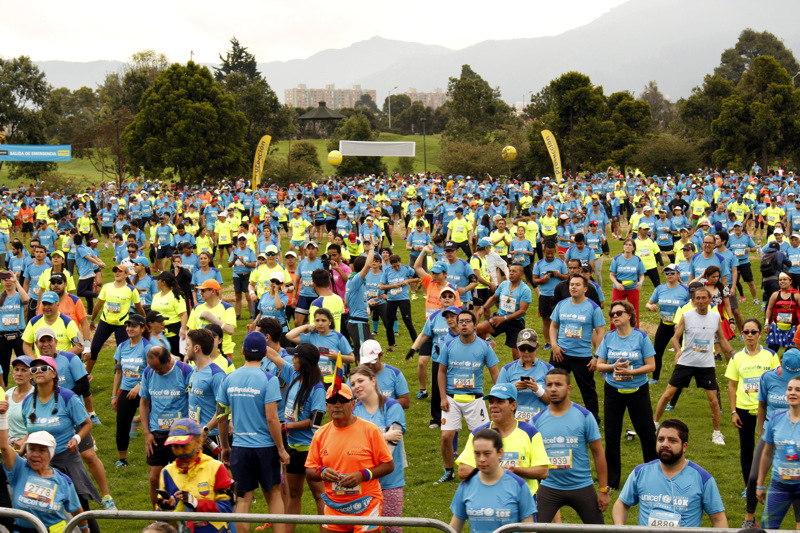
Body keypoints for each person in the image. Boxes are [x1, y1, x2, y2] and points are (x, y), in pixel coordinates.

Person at [217, 331, 289, 533]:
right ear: (266, 353)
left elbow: (221, 416)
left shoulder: (228, 379)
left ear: (242, 351)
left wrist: (225, 447)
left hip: (240, 447)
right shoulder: (269, 380)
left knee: (243, 498)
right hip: (266, 448)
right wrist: (281, 449)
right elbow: (272, 418)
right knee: (274, 494)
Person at [22, 356, 105, 521]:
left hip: (66, 457)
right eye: (34, 370)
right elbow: (30, 430)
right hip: (38, 462)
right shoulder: (27, 402)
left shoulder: (68, 397)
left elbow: (87, 424)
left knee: (80, 511)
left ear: (54, 374)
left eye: (44, 368)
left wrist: (76, 439)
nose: (38, 372)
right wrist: (22, 446)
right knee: (40, 510)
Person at [304, 383, 395, 533]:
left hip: (367, 504)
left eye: (343, 401)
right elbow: (309, 471)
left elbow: (388, 465)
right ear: (327, 405)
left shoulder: (370, 430)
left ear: (353, 404)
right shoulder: (320, 434)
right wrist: (322, 472)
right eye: (332, 401)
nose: (337, 405)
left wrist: (363, 475)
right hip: (334, 506)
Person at [653, 286, 735, 444]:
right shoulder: (687, 316)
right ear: (693, 300)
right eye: (698, 298)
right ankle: (655, 424)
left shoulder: (715, 317)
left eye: (704, 298)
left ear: (710, 300)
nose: (701, 301)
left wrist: (732, 355)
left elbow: (722, 340)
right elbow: (675, 338)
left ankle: (717, 434)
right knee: (668, 394)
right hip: (686, 362)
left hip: (706, 364)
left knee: (713, 400)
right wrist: (678, 351)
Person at [612, 419, 728, 527]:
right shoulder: (640, 472)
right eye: (661, 439)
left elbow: (718, 519)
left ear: (684, 446)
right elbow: (621, 504)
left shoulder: (703, 479)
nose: (665, 444)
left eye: (672, 440)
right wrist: (619, 527)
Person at [531, 368, 610, 524]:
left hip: (582, 486)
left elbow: (599, 453)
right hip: (550, 487)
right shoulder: (536, 420)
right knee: (532, 529)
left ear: (568, 389)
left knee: (599, 530)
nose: (553, 389)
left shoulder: (585, 416)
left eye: (558, 384)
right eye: (549, 385)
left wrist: (603, 490)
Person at [595, 300, 658, 490]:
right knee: (612, 436)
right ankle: (612, 482)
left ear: (629, 315)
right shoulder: (608, 338)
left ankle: (653, 476)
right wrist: (614, 367)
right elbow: (599, 365)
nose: (614, 316)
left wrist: (631, 372)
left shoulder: (641, 337)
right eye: (612, 314)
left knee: (647, 434)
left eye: (618, 313)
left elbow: (651, 365)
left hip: (638, 391)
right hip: (613, 391)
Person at [263, 342, 326, 532]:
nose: (293, 359)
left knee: (319, 495)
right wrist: (257, 338)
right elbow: (274, 356)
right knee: (294, 493)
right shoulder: (293, 374)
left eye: (296, 357)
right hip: (292, 448)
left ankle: (328, 528)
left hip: (310, 450)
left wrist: (288, 425)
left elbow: (316, 422)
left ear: (304, 361)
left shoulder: (317, 389)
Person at [436, 309, 499, 484]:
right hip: (451, 398)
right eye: (461, 321)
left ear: (474, 324)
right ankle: (449, 471)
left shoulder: (484, 346)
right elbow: (441, 372)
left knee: (482, 438)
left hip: (475, 399)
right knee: (446, 436)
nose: (463, 324)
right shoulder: (448, 345)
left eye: (467, 321)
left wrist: (498, 396)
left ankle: (483, 471)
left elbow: (495, 373)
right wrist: (442, 397)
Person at [455, 383, 550, 496]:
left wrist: (516, 471)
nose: (493, 406)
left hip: (523, 503)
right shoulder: (479, 433)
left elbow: (543, 471)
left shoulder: (530, 432)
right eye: (491, 402)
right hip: (489, 500)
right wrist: (496, 471)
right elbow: (463, 470)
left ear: (513, 406)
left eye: (500, 402)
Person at [725, 318, 780, 507]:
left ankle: (767, 484)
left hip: (767, 409)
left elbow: (778, 382)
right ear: (741, 334)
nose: (749, 335)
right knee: (747, 448)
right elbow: (732, 385)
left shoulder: (771, 356)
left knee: (768, 448)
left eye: (753, 332)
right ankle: (749, 485)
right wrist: (733, 411)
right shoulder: (736, 358)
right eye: (746, 332)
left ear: (760, 334)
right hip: (743, 409)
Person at [0, 427, 91, 533]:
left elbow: (77, 512)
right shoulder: (19, 469)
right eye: (32, 449)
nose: (35, 454)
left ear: (50, 454)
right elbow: (4, 446)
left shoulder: (63, 481)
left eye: (42, 450)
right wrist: (2, 415)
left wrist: (86, 531)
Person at [351, 365, 407, 533]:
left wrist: (365, 441)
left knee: (391, 529)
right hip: (362, 483)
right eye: (353, 384)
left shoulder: (392, 406)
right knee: (364, 529)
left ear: (373, 381)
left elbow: (389, 450)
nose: (356, 386)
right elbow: (351, 443)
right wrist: (383, 436)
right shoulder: (353, 411)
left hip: (390, 482)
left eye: (361, 381)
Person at [449, 428, 536, 533]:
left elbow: (529, 530)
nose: (481, 459)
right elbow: (453, 528)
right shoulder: (466, 486)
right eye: (477, 453)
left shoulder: (519, 485)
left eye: (487, 453)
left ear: (500, 453)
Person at [156, 418, 233, 533]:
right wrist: (165, 507)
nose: (180, 451)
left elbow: (228, 508)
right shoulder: (167, 472)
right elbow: (160, 519)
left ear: (199, 441)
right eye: (175, 446)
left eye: (184, 445)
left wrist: (196, 503)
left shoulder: (216, 468)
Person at [139, 345, 193, 508]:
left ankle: (185, 515)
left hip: (180, 434)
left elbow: (193, 401)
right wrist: (147, 433)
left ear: (169, 360)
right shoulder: (148, 372)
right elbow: (144, 402)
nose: (155, 371)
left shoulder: (185, 371)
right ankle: (158, 515)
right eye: (152, 367)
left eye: (158, 367)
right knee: (154, 477)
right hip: (157, 434)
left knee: (183, 476)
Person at [549, 274, 605, 421]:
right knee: (552, 385)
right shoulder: (562, 305)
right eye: (571, 284)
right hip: (560, 354)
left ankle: (593, 419)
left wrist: (596, 357)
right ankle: (551, 414)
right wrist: (554, 345)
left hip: (582, 356)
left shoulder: (593, 308)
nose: (573, 287)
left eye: (577, 285)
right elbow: (553, 326)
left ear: (585, 289)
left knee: (587, 390)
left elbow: (600, 332)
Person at [756, 375, 800, 529]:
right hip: (779, 485)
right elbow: (767, 453)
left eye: (798, 390)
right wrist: (760, 484)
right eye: (789, 389)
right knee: (768, 527)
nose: (792, 393)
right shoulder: (776, 419)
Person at [88, 265, 146, 374]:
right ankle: (86, 376)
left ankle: (120, 378)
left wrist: (144, 321)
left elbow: (139, 308)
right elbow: (98, 305)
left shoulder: (131, 290)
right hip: (105, 322)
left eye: (120, 271)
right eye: (115, 271)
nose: (117, 273)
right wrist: (92, 320)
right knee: (94, 348)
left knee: (122, 353)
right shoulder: (107, 287)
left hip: (122, 324)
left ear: (126, 275)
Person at [111, 313, 151, 468]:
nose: (129, 329)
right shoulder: (122, 347)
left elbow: (150, 371)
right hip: (126, 391)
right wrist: (114, 395)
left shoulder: (147, 347)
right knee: (121, 426)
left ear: (142, 328)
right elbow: (118, 371)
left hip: (144, 392)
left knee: (153, 425)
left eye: (134, 326)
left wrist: (139, 385)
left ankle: (156, 455)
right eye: (128, 326)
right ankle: (122, 460)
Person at [286, 308, 355, 387]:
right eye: (317, 320)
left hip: (333, 381)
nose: (320, 323)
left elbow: (352, 358)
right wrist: (306, 326)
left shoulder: (338, 337)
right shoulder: (311, 336)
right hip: (314, 380)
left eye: (323, 320)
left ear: (330, 321)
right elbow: (289, 336)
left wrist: (337, 356)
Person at [184, 328, 227, 456]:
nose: (185, 349)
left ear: (196, 348)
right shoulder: (193, 371)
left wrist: (206, 429)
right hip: (195, 435)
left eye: (187, 345)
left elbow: (224, 408)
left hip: (212, 437)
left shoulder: (216, 375)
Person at [645, 263, 689, 384]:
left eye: (672, 272)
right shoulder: (660, 289)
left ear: (678, 274)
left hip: (680, 326)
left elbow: (691, 307)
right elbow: (648, 304)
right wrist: (651, 306)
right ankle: (655, 378)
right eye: (667, 273)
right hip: (664, 324)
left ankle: (681, 379)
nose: (669, 275)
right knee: (657, 351)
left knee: (682, 353)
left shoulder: (685, 290)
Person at [476, 263, 532, 360]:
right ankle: (486, 350)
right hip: (499, 317)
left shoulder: (525, 290)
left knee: (517, 356)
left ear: (521, 275)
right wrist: (483, 308)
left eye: (514, 271)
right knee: (480, 328)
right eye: (510, 271)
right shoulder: (504, 284)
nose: (511, 273)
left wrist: (504, 318)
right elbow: (494, 298)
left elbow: (522, 311)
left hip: (515, 323)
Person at [496, 328, 552, 421]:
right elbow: (497, 400)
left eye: (530, 349)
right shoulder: (507, 370)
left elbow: (554, 401)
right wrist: (512, 389)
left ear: (538, 347)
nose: (526, 352)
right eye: (522, 348)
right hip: (513, 423)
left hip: (540, 422)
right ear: (517, 347)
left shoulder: (549, 369)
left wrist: (537, 390)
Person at [187, 279, 237, 358]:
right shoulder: (197, 308)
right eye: (200, 291)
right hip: (201, 353)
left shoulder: (227, 308)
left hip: (222, 352)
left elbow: (230, 330)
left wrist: (212, 319)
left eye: (203, 291)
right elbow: (190, 333)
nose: (200, 293)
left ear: (213, 291)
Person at [532, 242, 568, 350]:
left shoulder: (561, 263)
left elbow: (567, 277)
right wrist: (544, 279)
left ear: (555, 252)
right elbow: (534, 280)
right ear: (544, 252)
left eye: (552, 253)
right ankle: (548, 342)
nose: (550, 256)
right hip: (544, 295)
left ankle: (559, 341)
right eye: (548, 253)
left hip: (558, 295)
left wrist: (559, 275)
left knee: (560, 319)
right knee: (546, 319)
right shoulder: (538, 264)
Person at [380, 254, 418, 352]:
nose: (397, 268)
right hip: (391, 299)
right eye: (394, 266)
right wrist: (392, 286)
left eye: (398, 265)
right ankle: (391, 345)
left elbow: (418, 278)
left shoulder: (407, 269)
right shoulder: (387, 271)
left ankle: (416, 346)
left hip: (403, 298)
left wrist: (408, 280)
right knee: (389, 322)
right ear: (391, 264)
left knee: (408, 321)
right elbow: (382, 286)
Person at [358, 340, 410, 408]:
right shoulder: (356, 376)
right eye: (367, 362)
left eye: (373, 361)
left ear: (381, 355)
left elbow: (406, 402)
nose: (370, 365)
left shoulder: (395, 374)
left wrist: (382, 404)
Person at [344, 252, 376, 360]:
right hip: (358, 324)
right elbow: (368, 265)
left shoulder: (352, 281)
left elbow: (346, 302)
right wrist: (372, 246)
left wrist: (366, 303)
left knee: (370, 352)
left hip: (360, 324)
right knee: (365, 356)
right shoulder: (356, 280)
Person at [0, 269, 28, 386]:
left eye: (9, 280)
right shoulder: (1, 297)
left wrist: (16, 282)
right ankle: (3, 396)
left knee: (24, 365)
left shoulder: (18, 296)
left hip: (18, 336)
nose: (8, 282)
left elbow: (26, 299)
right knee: (3, 368)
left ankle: (27, 391)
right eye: (5, 280)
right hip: (3, 337)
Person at [151, 271, 188, 358]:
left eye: (158, 280)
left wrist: (183, 330)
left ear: (163, 282)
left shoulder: (176, 296)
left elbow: (183, 314)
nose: (156, 282)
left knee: (175, 357)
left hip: (173, 333)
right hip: (158, 333)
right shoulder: (156, 296)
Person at [609, 238, 646, 326]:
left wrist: (640, 283)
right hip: (619, 288)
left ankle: (635, 330)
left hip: (633, 288)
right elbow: (611, 275)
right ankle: (614, 330)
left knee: (634, 310)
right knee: (615, 310)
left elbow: (641, 275)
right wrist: (617, 284)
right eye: (626, 245)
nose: (627, 246)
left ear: (633, 248)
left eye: (630, 245)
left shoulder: (637, 259)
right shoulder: (617, 259)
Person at [764, 272, 800, 354]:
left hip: (792, 328)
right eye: (780, 280)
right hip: (776, 327)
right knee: (771, 351)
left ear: (790, 281)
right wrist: (766, 323)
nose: (782, 282)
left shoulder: (796, 296)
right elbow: (769, 309)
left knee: (793, 351)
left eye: (784, 279)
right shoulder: (775, 295)